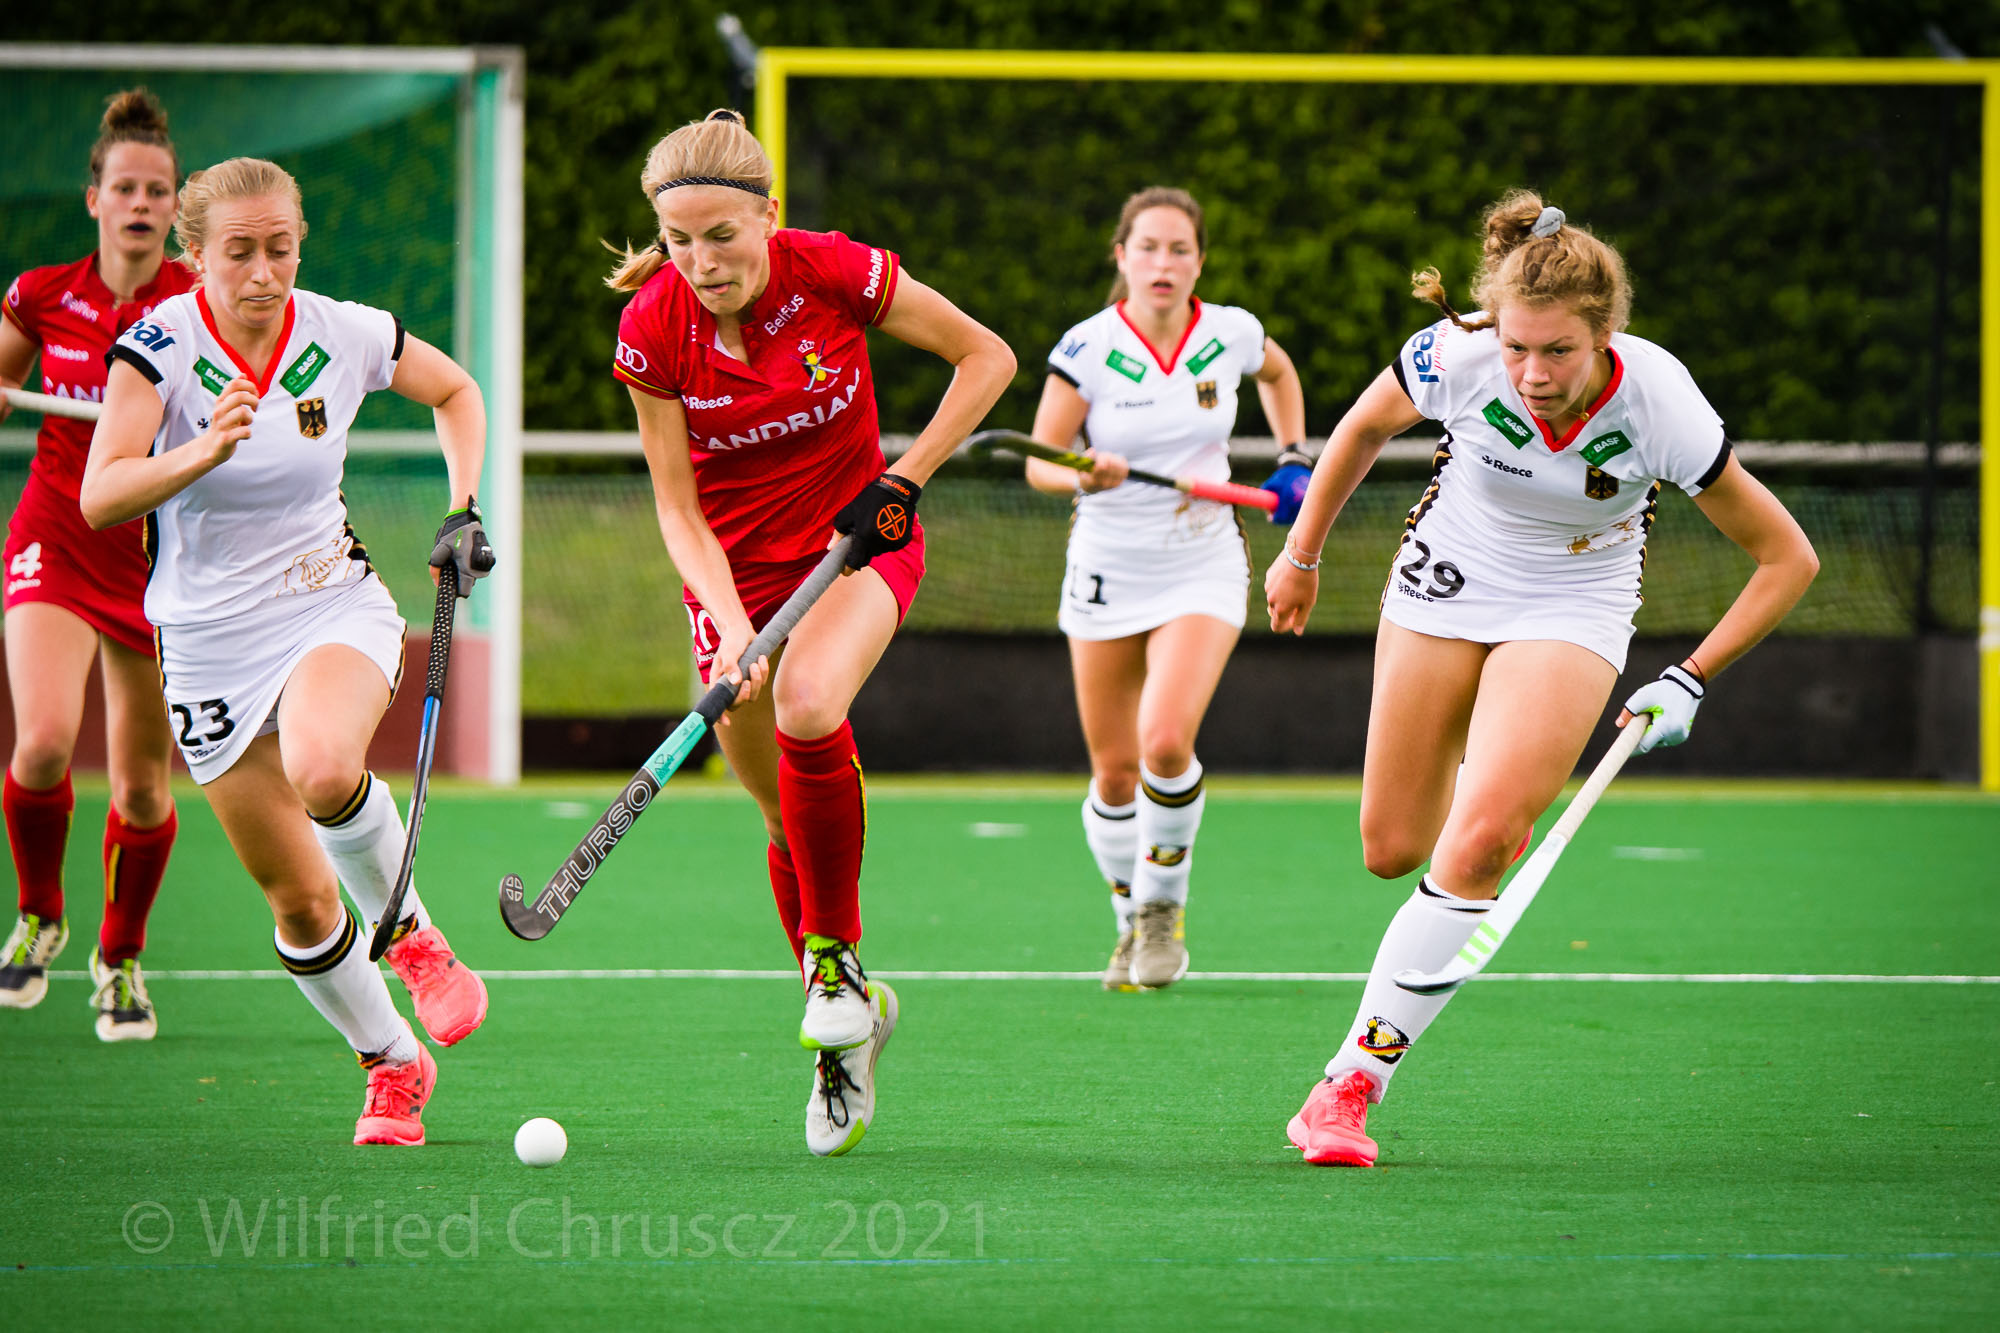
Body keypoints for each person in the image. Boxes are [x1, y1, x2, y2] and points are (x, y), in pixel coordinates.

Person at [1263, 190, 1818, 1167]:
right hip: (1446, 577)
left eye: (1558, 351)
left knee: (1481, 842)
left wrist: (1690, 676)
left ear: (1605, 335)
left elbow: (1786, 558)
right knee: (1392, 848)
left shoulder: (1660, 402)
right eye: (1517, 346)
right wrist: (1300, 555)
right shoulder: (1459, 352)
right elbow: (1357, 430)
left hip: (1573, 600)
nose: (1531, 373)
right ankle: (1477, 809)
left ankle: (1348, 1085)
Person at [605, 110, 1015, 1157]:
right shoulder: (653, 330)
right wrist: (728, 623)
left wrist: (901, 480)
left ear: (768, 217)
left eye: (722, 236)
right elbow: (676, 510)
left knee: (807, 704)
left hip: (858, 543)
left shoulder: (831, 271)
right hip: (733, 579)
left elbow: (986, 358)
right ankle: (850, 1028)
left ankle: (832, 965)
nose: (702, 262)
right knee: (785, 817)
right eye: (678, 241)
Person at [79, 157, 496, 1145]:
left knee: (322, 763)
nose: (263, 272)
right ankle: (391, 1064)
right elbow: (101, 496)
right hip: (205, 644)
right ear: (193, 254)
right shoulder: (157, 349)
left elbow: (455, 391)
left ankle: (413, 935)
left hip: (326, 600)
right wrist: (200, 451)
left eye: (280, 248)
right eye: (239, 252)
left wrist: (462, 506)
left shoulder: (340, 331)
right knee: (300, 902)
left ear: (301, 244)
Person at [1025, 186, 1308, 991]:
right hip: (1108, 563)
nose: (1163, 262)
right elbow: (1041, 460)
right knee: (1115, 773)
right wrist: (1083, 471)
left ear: (1199, 262)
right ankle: (1127, 916)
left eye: (1179, 249)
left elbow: (1278, 372)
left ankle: (1161, 909)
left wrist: (1292, 453)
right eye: (1147, 247)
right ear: (1121, 257)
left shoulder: (1231, 332)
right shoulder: (1086, 347)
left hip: (1201, 558)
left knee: (1164, 743)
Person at [0, 89, 197, 1039]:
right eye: (125, 187)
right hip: (58, 531)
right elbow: (3, 378)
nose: (141, 204)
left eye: (157, 190)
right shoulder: (43, 295)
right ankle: (40, 914)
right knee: (42, 741)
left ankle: (120, 958)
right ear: (94, 199)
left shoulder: (199, 301)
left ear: (175, 205)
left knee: (144, 788)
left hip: (155, 556)